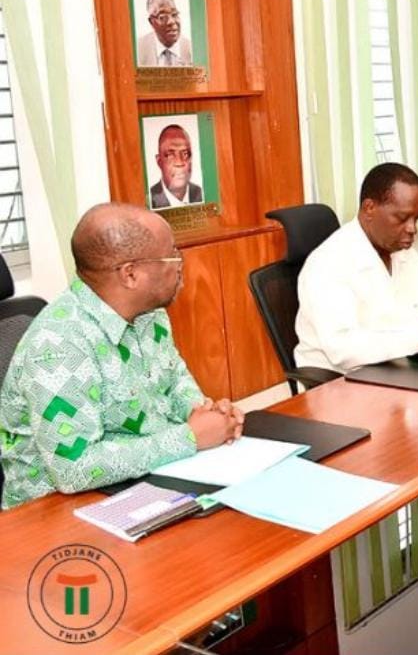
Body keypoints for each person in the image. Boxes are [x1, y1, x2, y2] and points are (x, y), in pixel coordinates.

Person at [0, 203, 241, 509]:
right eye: (172, 255)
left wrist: (206, 414)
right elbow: (72, 471)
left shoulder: (148, 314)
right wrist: (189, 438)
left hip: (142, 481)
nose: (180, 264)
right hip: (55, 516)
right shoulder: (58, 346)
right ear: (130, 274)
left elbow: (174, 382)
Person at [294, 163, 418, 374]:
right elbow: (343, 350)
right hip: (342, 384)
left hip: (396, 370)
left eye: (416, 218)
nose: (413, 229)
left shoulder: (401, 251)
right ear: (369, 209)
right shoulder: (328, 264)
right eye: (402, 218)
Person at [149, 124, 203, 209]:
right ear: (159, 162)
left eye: (185, 154)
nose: (179, 162)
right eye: (170, 155)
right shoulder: (149, 199)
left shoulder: (202, 193)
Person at [137, 0, 194, 68]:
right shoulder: (137, 51)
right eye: (163, 17)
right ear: (151, 22)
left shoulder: (193, 50)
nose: (171, 22)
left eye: (174, 14)